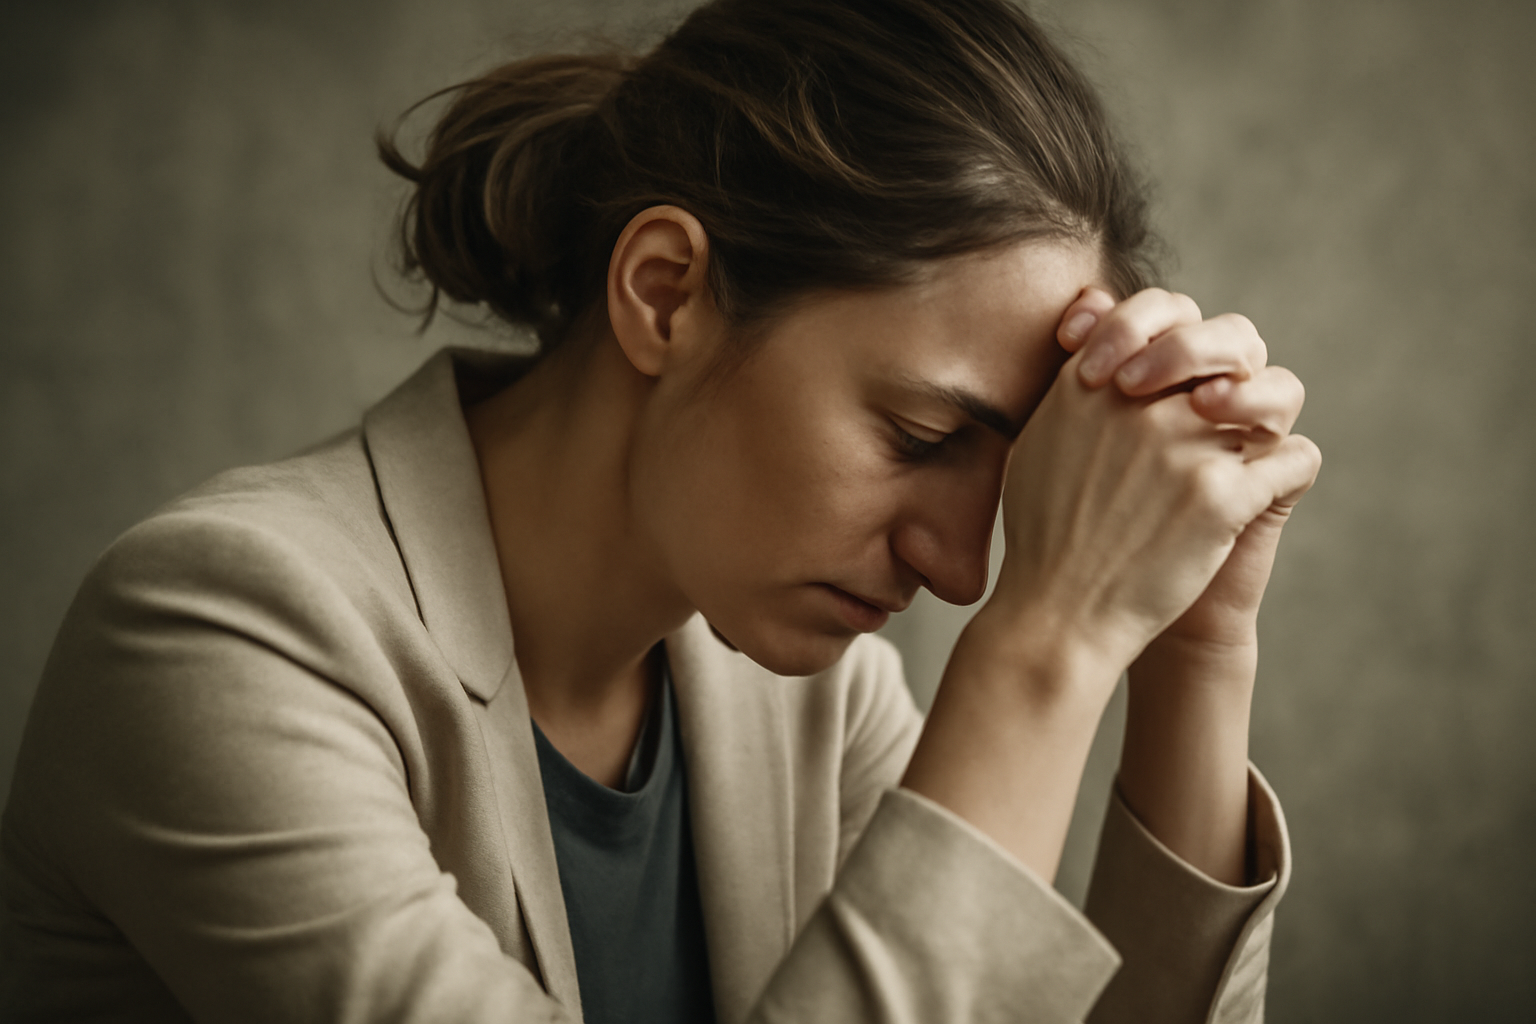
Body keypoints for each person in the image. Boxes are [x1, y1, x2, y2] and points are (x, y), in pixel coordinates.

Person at [0, 0, 1320, 1020]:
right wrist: (1048, 644)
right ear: (666, 290)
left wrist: (1196, 646)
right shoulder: (221, 636)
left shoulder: (815, 699)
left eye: (1007, 478)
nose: (964, 567)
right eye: (920, 436)